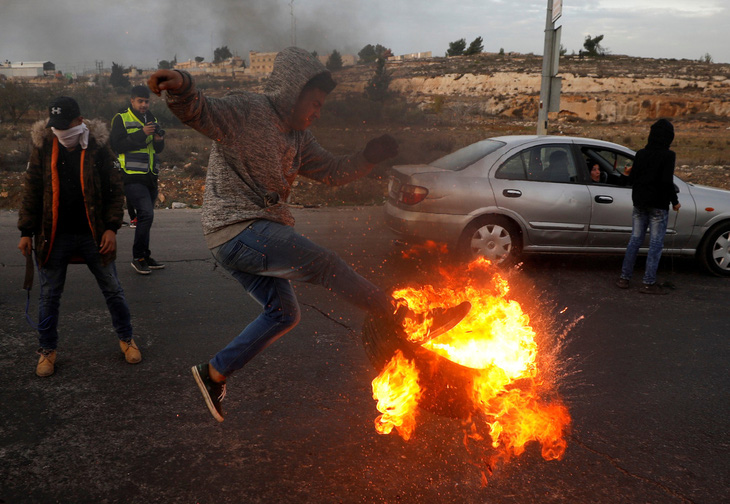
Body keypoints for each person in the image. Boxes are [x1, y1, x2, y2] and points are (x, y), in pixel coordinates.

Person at [147, 47, 470, 422]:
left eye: (321, 105)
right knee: (324, 262)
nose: (317, 112)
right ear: (291, 92)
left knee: (284, 314)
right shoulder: (247, 111)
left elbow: (332, 171)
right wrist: (182, 84)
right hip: (237, 228)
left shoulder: (300, 138)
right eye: (314, 103)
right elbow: (199, 110)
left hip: (250, 236)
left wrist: (367, 157)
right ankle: (406, 317)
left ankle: (214, 373)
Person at [17, 96, 141, 377]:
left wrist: (111, 227)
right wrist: (26, 232)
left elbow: (114, 188)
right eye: (55, 126)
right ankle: (47, 350)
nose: (60, 131)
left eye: (65, 125)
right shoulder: (44, 145)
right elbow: (32, 190)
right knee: (49, 296)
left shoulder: (97, 146)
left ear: (79, 121)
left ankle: (126, 339)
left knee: (113, 290)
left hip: (94, 234)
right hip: (53, 235)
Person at [616, 118, 681, 294]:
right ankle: (648, 282)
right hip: (658, 206)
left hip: (639, 204)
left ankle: (624, 278)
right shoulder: (668, 156)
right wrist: (675, 202)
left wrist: (626, 174)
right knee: (655, 244)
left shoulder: (641, 154)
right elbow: (667, 182)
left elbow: (633, 179)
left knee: (635, 241)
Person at [110, 85, 166, 275]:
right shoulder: (121, 119)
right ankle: (138, 257)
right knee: (146, 214)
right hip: (131, 176)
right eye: (140, 101)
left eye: (146, 101)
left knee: (145, 218)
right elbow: (116, 145)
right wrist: (142, 133)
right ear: (132, 101)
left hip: (150, 176)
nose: (144, 105)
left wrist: (159, 140)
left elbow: (157, 150)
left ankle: (145, 255)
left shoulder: (153, 119)